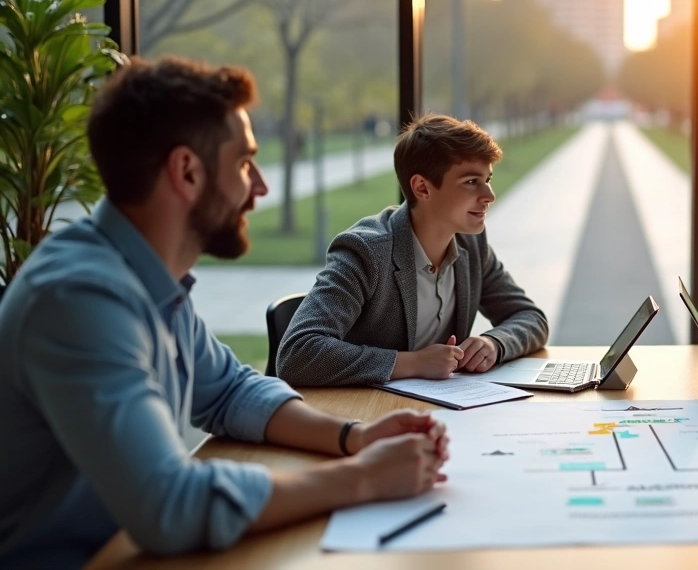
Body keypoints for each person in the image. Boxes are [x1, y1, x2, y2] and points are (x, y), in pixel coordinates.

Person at [0, 57, 449, 566]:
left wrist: (355, 437)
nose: (259, 187)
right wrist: (364, 478)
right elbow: (168, 504)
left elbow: (231, 391)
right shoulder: (79, 299)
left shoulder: (142, 275)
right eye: (243, 163)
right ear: (187, 172)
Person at [276, 114, 548, 386]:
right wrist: (413, 362)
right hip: (364, 414)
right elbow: (297, 353)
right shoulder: (366, 252)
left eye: (487, 179)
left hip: (442, 412)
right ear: (422, 188)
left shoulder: (470, 244)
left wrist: (495, 343)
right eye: (471, 182)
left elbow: (531, 318)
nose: (489, 195)